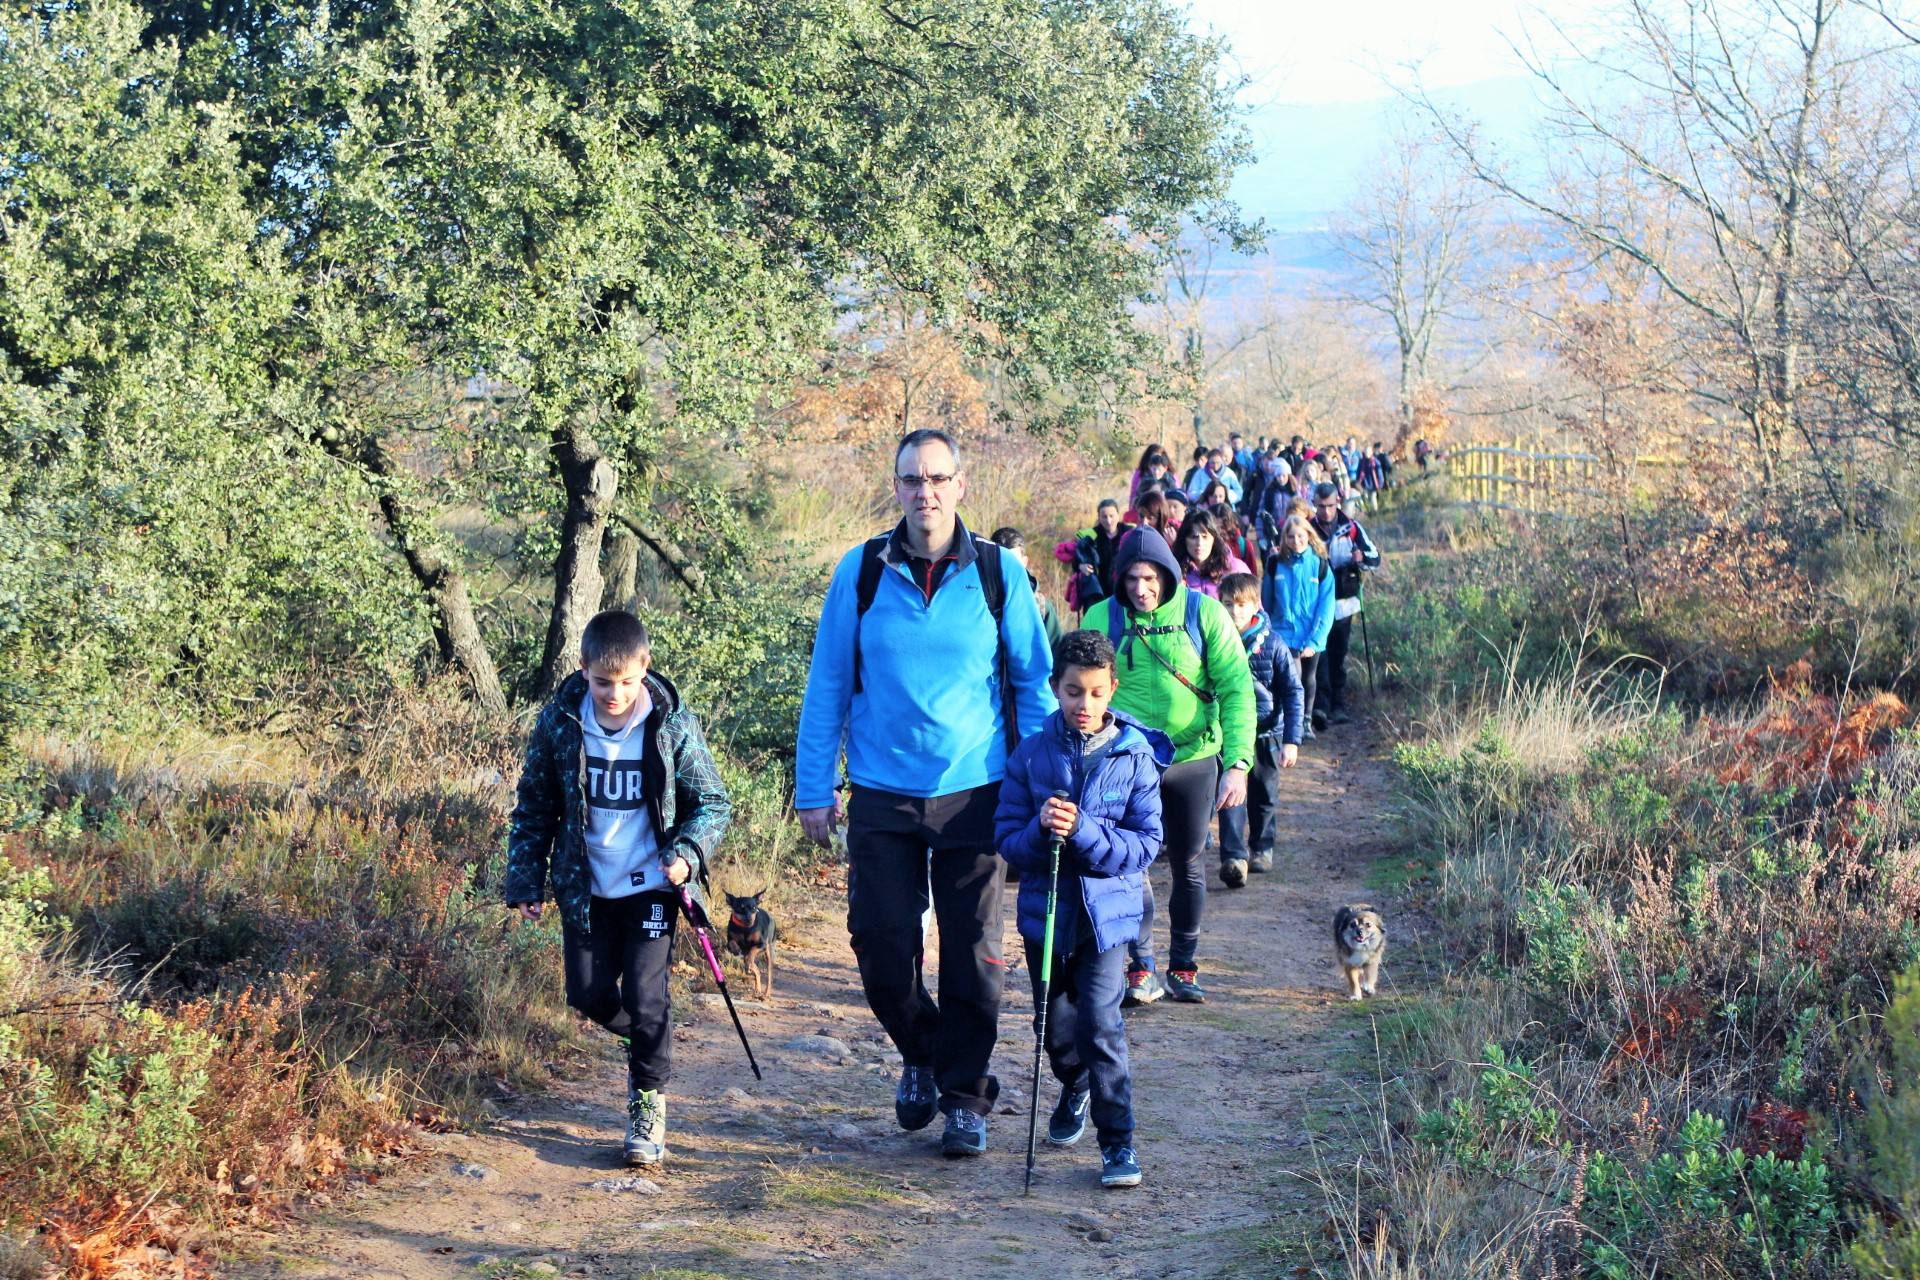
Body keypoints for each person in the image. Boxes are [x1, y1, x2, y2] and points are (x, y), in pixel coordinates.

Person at [794, 428, 1056, 1158]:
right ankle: (925, 1051)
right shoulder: (862, 571)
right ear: (897, 487)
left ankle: (966, 1099)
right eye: (912, 480)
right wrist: (813, 786)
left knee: (974, 954)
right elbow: (827, 686)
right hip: (881, 792)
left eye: (938, 479)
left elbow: (1034, 686)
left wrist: (1038, 784)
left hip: (979, 791)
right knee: (881, 946)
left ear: (960, 485)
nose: (925, 492)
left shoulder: (1000, 575)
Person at [504, 610, 733, 1167]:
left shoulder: (671, 723)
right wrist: (525, 878)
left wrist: (687, 853)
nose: (615, 693)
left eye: (626, 682)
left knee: (646, 996)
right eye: (604, 682)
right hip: (585, 887)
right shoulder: (559, 722)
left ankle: (648, 1102)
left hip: (653, 884)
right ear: (583, 669)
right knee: (586, 993)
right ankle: (648, 1042)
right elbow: (534, 806)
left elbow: (714, 803)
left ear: (644, 668)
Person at [995, 630, 1171, 1190]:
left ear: (1112, 689)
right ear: (1055, 689)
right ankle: (1074, 1083)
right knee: (1054, 1029)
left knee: (1101, 1024)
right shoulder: (1030, 753)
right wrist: (1039, 828)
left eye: (1096, 693)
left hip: (1108, 920)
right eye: (1073, 692)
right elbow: (1006, 838)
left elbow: (1145, 845)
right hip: (1046, 914)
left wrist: (1086, 830)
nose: (1084, 705)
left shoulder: (1136, 757)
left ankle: (1118, 1144)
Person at [1081, 528, 1254, 1006]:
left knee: (1188, 862)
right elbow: (1080, 687)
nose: (1142, 589)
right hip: (1129, 762)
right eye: (1133, 578)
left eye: (1152, 578)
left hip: (1193, 757)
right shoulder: (1102, 617)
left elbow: (1237, 690)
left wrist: (1238, 763)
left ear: (1170, 576)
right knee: (1129, 864)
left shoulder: (1204, 613)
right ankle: (1141, 968)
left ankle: (1183, 965)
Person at [1214, 574, 1302, 887]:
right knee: (1230, 795)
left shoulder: (1273, 644)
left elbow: (1292, 691)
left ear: (1255, 605)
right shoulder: (1213, 642)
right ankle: (1234, 857)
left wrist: (1291, 739)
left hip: (1267, 734)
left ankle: (1262, 847)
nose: (1234, 611)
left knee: (1263, 796)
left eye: (1241, 604)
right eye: (1227, 604)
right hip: (1227, 734)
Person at [1309, 483, 1381, 729]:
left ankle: (1338, 705)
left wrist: (1361, 559)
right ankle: (1321, 705)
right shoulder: (1307, 530)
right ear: (1314, 504)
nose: (1326, 511)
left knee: (1338, 654)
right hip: (1316, 605)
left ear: (1338, 501)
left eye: (1330, 506)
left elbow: (1375, 558)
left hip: (1343, 604)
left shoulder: (1351, 528)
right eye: (1321, 506)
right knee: (1320, 654)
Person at [1263, 515, 1334, 743]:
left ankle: (1306, 720)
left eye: (1300, 536)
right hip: (1283, 633)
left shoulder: (1320, 565)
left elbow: (1326, 606)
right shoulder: (1275, 563)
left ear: (1309, 536)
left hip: (1311, 633)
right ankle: (1288, 720)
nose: (1296, 541)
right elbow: (1266, 600)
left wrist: (1315, 641)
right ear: (1284, 538)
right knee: (1292, 677)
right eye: (1291, 536)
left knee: (1309, 677)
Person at [992, 527, 1063, 649]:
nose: (1006, 568)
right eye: (1001, 561)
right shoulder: (976, 600)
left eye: (1013, 561)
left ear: (1024, 562)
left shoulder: (1041, 607)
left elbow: (1056, 653)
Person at [1071, 499, 1131, 615]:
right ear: (1099, 517)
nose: (1108, 521)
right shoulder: (1090, 536)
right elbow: (1076, 561)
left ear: (1118, 515)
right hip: (1097, 592)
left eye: (1111, 516)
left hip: (1123, 590)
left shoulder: (1128, 533)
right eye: (1104, 517)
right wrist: (1080, 566)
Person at [1173, 507, 1248, 600]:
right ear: (1184, 539)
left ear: (1214, 538)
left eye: (1205, 537)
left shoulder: (1235, 569)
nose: (1199, 543)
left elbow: (1257, 609)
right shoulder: (1174, 572)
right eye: (1193, 537)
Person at [1212, 503, 1262, 584]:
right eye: (1215, 527)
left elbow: (1252, 577)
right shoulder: (1204, 545)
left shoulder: (1244, 545)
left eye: (1223, 527)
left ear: (1230, 526)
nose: (1219, 531)